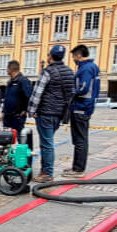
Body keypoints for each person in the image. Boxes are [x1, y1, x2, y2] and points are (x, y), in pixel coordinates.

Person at [27, 45, 75, 183]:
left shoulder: (47, 71)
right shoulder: (69, 72)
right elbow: (71, 93)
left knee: (46, 144)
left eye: (48, 55)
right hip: (59, 113)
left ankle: (47, 173)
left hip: (46, 112)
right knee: (47, 142)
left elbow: (37, 93)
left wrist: (31, 110)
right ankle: (44, 170)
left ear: (50, 56)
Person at [62, 45, 100, 178]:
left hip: (81, 108)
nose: (73, 59)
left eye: (73, 56)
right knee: (80, 139)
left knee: (80, 140)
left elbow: (83, 88)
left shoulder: (86, 68)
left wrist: (71, 93)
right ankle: (76, 167)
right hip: (83, 107)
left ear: (78, 55)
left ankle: (78, 169)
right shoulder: (91, 67)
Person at [1, 60, 32, 138]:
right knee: (6, 139)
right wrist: (3, 112)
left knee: (20, 138)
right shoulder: (10, 82)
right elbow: (7, 98)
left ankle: (22, 150)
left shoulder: (23, 81)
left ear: (11, 69)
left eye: (7, 68)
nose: (6, 70)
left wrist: (25, 110)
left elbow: (28, 96)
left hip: (17, 116)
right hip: (7, 116)